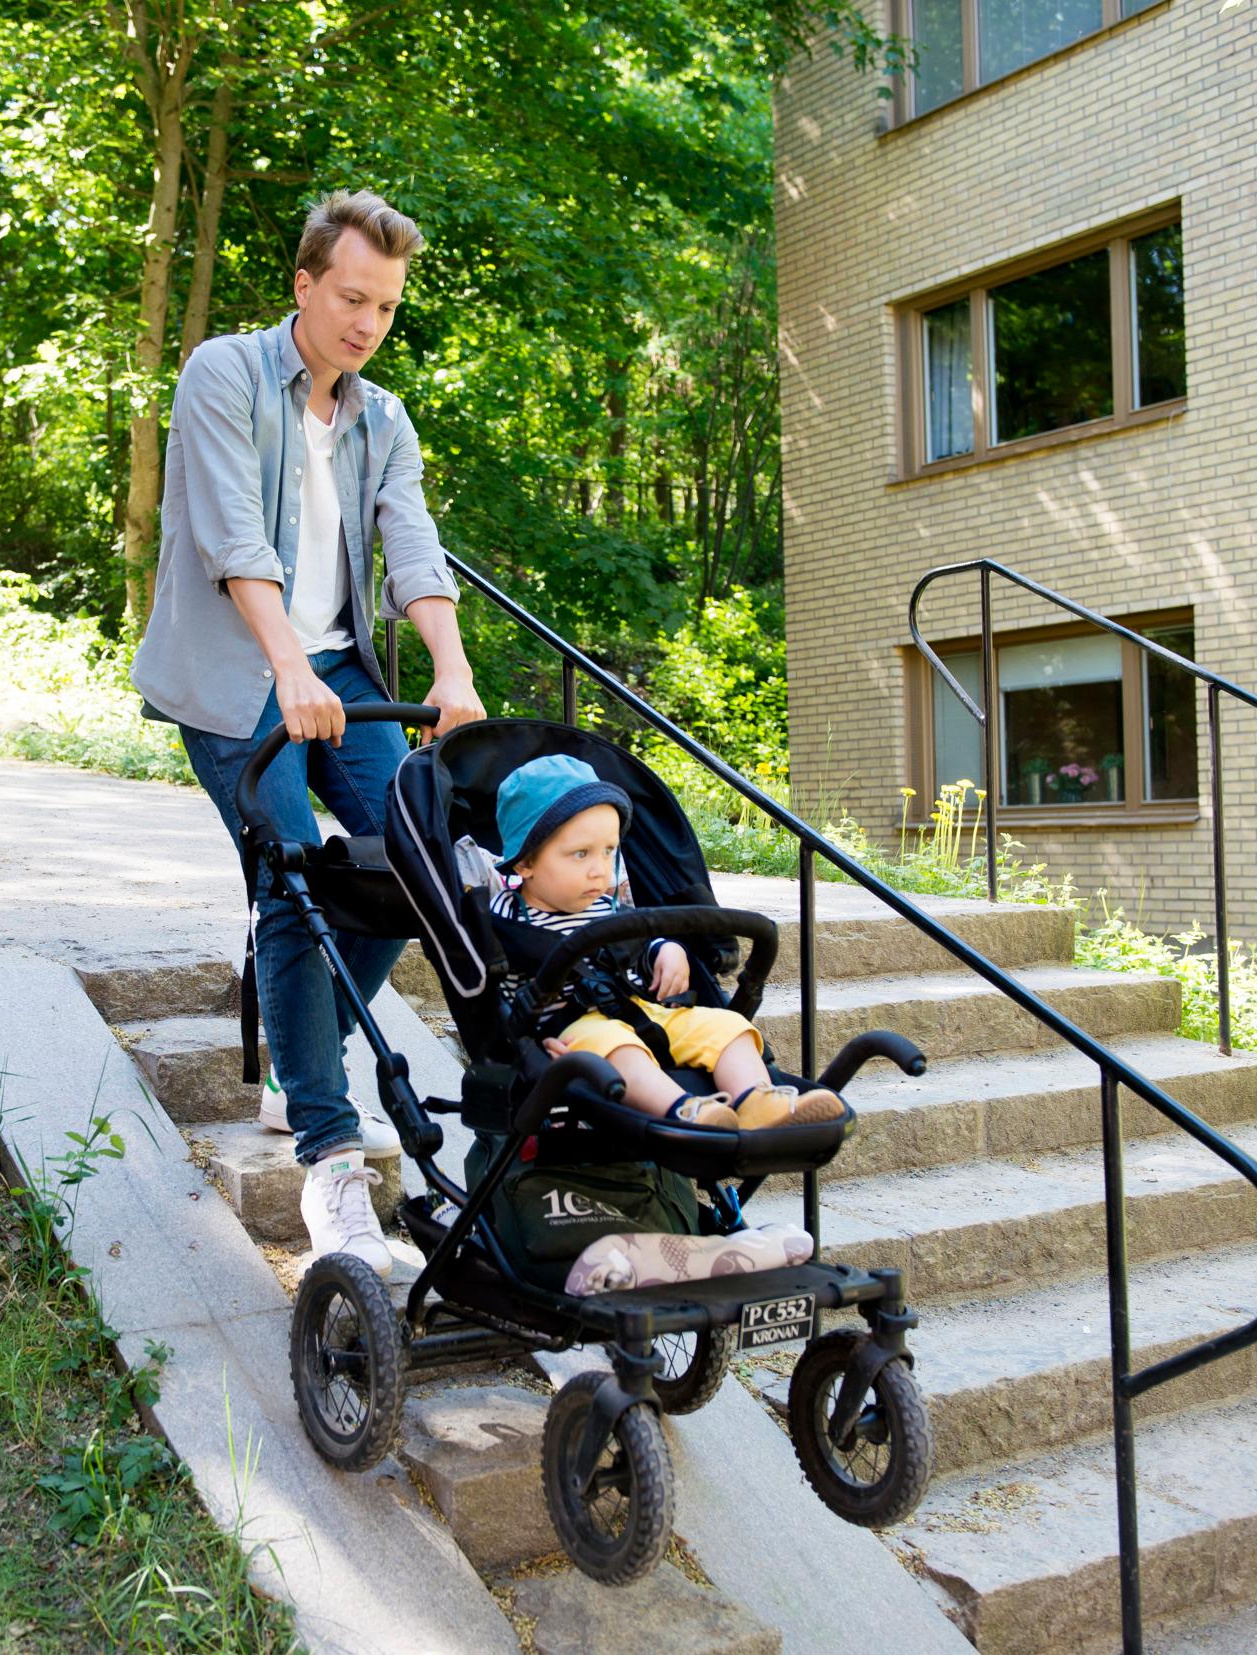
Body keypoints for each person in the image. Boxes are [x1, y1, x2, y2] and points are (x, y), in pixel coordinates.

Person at [132, 189, 484, 1279]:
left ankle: (301, 1050)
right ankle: (331, 1164)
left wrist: (452, 668)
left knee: (422, 863)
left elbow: (413, 547)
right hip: (235, 673)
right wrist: (285, 664)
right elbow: (230, 529)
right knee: (293, 882)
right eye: (349, 296)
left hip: (336, 671)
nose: (367, 321)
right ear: (302, 283)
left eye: (384, 304)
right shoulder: (225, 373)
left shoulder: (382, 419)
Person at [481, 754, 846, 1132]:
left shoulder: (607, 907)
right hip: (574, 1030)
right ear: (524, 864)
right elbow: (499, 996)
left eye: (609, 851)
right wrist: (533, 1051)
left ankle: (757, 1100)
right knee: (615, 1048)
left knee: (728, 1026)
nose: (599, 869)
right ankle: (685, 1111)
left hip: (645, 1012)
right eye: (580, 854)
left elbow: (636, 946)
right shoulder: (506, 917)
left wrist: (665, 949)